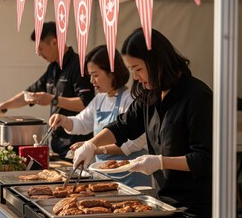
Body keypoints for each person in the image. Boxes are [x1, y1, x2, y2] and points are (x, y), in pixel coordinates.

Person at [73, 28, 212, 217]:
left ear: (157, 62)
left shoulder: (197, 96)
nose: (136, 77)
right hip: (165, 202)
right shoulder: (151, 94)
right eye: (132, 70)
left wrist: (161, 161)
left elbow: (205, 158)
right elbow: (123, 126)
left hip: (196, 206)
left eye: (138, 69)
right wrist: (91, 145)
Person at [49, 45, 150, 187]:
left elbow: (134, 143)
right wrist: (64, 120)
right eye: (90, 75)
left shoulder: (131, 99)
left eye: (95, 75)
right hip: (104, 175)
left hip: (131, 176)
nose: (91, 81)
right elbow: (82, 123)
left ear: (112, 72)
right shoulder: (100, 99)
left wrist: (93, 147)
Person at [0, 21, 94, 158]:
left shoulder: (79, 65)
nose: (38, 53)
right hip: (58, 144)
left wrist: (53, 100)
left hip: (76, 145)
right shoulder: (52, 68)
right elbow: (29, 95)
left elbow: (86, 103)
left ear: (54, 42)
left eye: (40, 48)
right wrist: (3, 106)